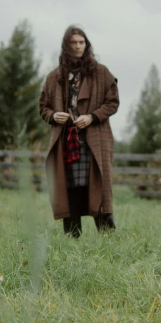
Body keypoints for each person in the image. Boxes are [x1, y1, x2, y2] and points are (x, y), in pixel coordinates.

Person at [39, 26, 119, 237]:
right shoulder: (54, 77)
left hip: (95, 143)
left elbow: (113, 102)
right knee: (69, 188)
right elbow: (43, 107)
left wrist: (92, 117)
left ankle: (109, 243)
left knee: (99, 188)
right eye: (73, 43)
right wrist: (53, 116)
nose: (78, 46)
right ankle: (72, 243)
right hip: (66, 143)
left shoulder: (101, 72)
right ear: (66, 46)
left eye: (81, 42)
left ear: (87, 44)